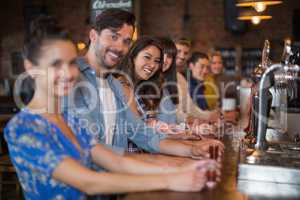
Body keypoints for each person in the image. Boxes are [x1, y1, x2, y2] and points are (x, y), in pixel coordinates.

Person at [5, 15, 219, 200]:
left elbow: (118, 161)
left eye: (71, 63)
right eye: (55, 64)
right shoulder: (22, 127)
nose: (68, 73)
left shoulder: (69, 119)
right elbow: (89, 182)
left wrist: (186, 165)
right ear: (30, 68)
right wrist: (171, 178)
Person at [65, 9, 224, 160]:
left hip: (116, 177)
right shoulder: (70, 77)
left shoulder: (115, 83)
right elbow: (90, 151)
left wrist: (192, 149)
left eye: (126, 41)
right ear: (93, 35)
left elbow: (141, 133)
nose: (120, 47)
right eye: (114, 36)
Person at [173, 38, 220, 123]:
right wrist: (204, 118)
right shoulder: (163, 76)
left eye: (185, 53)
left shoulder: (181, 78)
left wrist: (210, 116)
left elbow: (190, 107)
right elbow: (174, 113)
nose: (182, 56)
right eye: (179, 51)